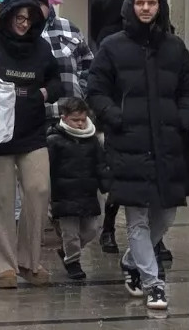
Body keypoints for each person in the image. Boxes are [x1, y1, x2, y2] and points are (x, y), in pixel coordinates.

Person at [87, 0, 189, 311]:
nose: (146, 8)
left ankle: (131, 260)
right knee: (137, 218)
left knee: (165, 216)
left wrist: (183, 117)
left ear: (159, 6)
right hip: (128, 143)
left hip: (168, 142)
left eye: (152, 3)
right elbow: (95, 89)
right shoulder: (112, 46)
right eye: (140, 3)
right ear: (131, 7)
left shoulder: (175, 47)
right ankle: (154, 283)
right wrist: (113, 116)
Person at [0, 0, 61, 289]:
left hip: (32, 130)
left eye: (29, 18)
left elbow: (57, 81)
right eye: (19, 17)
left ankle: (29, 260)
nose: (23, 24)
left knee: (39, 190)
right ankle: (3, 267)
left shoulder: (41, 48)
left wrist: (45, 92)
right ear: (8, 14)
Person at [46, 96, 107, 281]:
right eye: (75, 120)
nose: (80, 124)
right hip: (63, 195)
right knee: (70, 233)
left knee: (91, 230)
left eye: (82, 119)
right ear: (64, 117)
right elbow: (48, 168)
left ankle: (67, 251)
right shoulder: (54, 140)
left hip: (88, 192)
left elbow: (100, 164)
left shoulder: (92, 140)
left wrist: (105, 185)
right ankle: (72, 261)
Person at [89, 0, 127, 254]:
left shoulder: (103, 39)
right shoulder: (122, 36)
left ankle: (108, 229)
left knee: (114, 172)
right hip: (126, 111)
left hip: (111, 115)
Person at [30, 0, 92, 100]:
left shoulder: (68, 27)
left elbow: (88, 63)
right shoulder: (23, 31)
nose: (35, 9)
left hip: (72, 110)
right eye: (30, 5)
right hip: (39, 111)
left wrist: (81, 89)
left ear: (47, 5)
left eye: (39, 5)